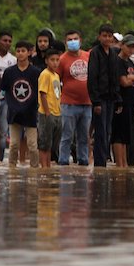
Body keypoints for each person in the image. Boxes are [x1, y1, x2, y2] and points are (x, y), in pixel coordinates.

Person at [1, 40, 41, 168]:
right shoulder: (9, 72)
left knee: (33, 145)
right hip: (14, 112)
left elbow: (40, 92)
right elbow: (4, 90)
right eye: (18, 51)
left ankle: (34, 170)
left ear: (29, 53)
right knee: (13, 145)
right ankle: (11, 170)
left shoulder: (36, 72)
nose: (20, 53)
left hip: (31, 112)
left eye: (23, 51)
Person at [87, 23, 120, 167]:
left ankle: (103, 160)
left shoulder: (113, 53)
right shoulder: (95, 53)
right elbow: (92, 78)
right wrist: (96, 102)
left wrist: (118, 99)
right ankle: (99, 163)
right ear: (99, 37)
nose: (107, 39)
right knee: (100, 131)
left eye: (109, 36)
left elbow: (115, 77)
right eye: (104, 36)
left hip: (111, 98)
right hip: (99, 98)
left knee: (108, 130)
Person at [59, 30, 92, 167]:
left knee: (84, 137)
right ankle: (63, 162)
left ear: (80, 40)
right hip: (68, 104)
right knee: (67, 136)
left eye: (75, 39)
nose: (73, 41)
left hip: (87, 103)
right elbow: (56, 80)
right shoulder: (62, 59)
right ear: (66, 43)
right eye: (70, 39)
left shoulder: (88, 56)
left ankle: (83, 161)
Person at [113, 34, 134, 168]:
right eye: (128, 46)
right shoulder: (117, 61)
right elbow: (123, 82)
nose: (131, 50)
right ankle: (119, 164)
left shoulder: (131, 62)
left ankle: (123, 164)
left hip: (131, 103)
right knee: (118, 134)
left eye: (133, 47)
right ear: (122, 45)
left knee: (125, 136)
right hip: (120, 102)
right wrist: (133, 78)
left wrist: (133, 78)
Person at [37, 48, 63, 167]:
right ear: (46, 61)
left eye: (57, 60)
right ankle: (44, 167)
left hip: (57, 112)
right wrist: (47, 112)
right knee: (44, 143)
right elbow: (43, 93)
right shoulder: (45, 74)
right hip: (46, 113)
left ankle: (48, 166)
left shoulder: (56, 75)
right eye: (52, 60)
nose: (55, 63)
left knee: (52, 143)